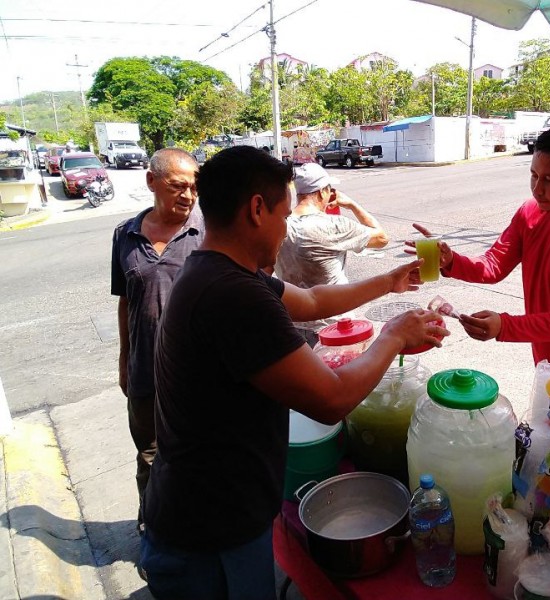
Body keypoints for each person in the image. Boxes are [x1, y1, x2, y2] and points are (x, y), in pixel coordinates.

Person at [139, 145, 445, 600]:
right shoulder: (234, 296)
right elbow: (332, 399)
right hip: (211, 531)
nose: (285, 231)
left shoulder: (216, 270)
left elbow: (315, 301)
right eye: (284, 216)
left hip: (202, 511)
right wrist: (394, 336)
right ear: (257, 210)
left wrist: (390, 281)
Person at [408, 125, 550, 367]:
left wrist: (505, 326)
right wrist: (451, 261)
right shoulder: (531, 212)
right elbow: (494, 264)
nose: (537, 189)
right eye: (534, 175)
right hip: (546, 362)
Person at [111, 147, 202, 533]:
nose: (188, 195)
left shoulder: (206, 231)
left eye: (194, 188)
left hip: (195, 376)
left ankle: (196, 530)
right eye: (178, 186)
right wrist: (123, 360)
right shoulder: (125, 235)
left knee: (197, 457)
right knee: (150, 457)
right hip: (145, 374)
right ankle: (153, 529)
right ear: (152, 182)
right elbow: (125, 302)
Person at [275, 162, 389, 346]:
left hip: (292, 326)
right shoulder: (333, 226)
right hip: (334, 329)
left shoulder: (280, 226)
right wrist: (351, 205)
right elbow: (382, 238)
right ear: (322, 192)